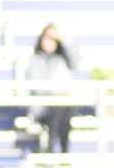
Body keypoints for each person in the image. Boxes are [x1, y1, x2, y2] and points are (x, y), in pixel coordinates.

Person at [25, 25, 78, 154]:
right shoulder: (34, 60)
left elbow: (77, 60)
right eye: (47, 37)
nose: (49, 41)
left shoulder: (62, 59)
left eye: (53, 39)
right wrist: (59, 93)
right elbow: (37, 87)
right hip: (43, 108)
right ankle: (53, 149)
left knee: (65, 109)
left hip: (63, 108)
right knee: (57, 108)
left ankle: (61, 150)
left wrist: (63, 39)